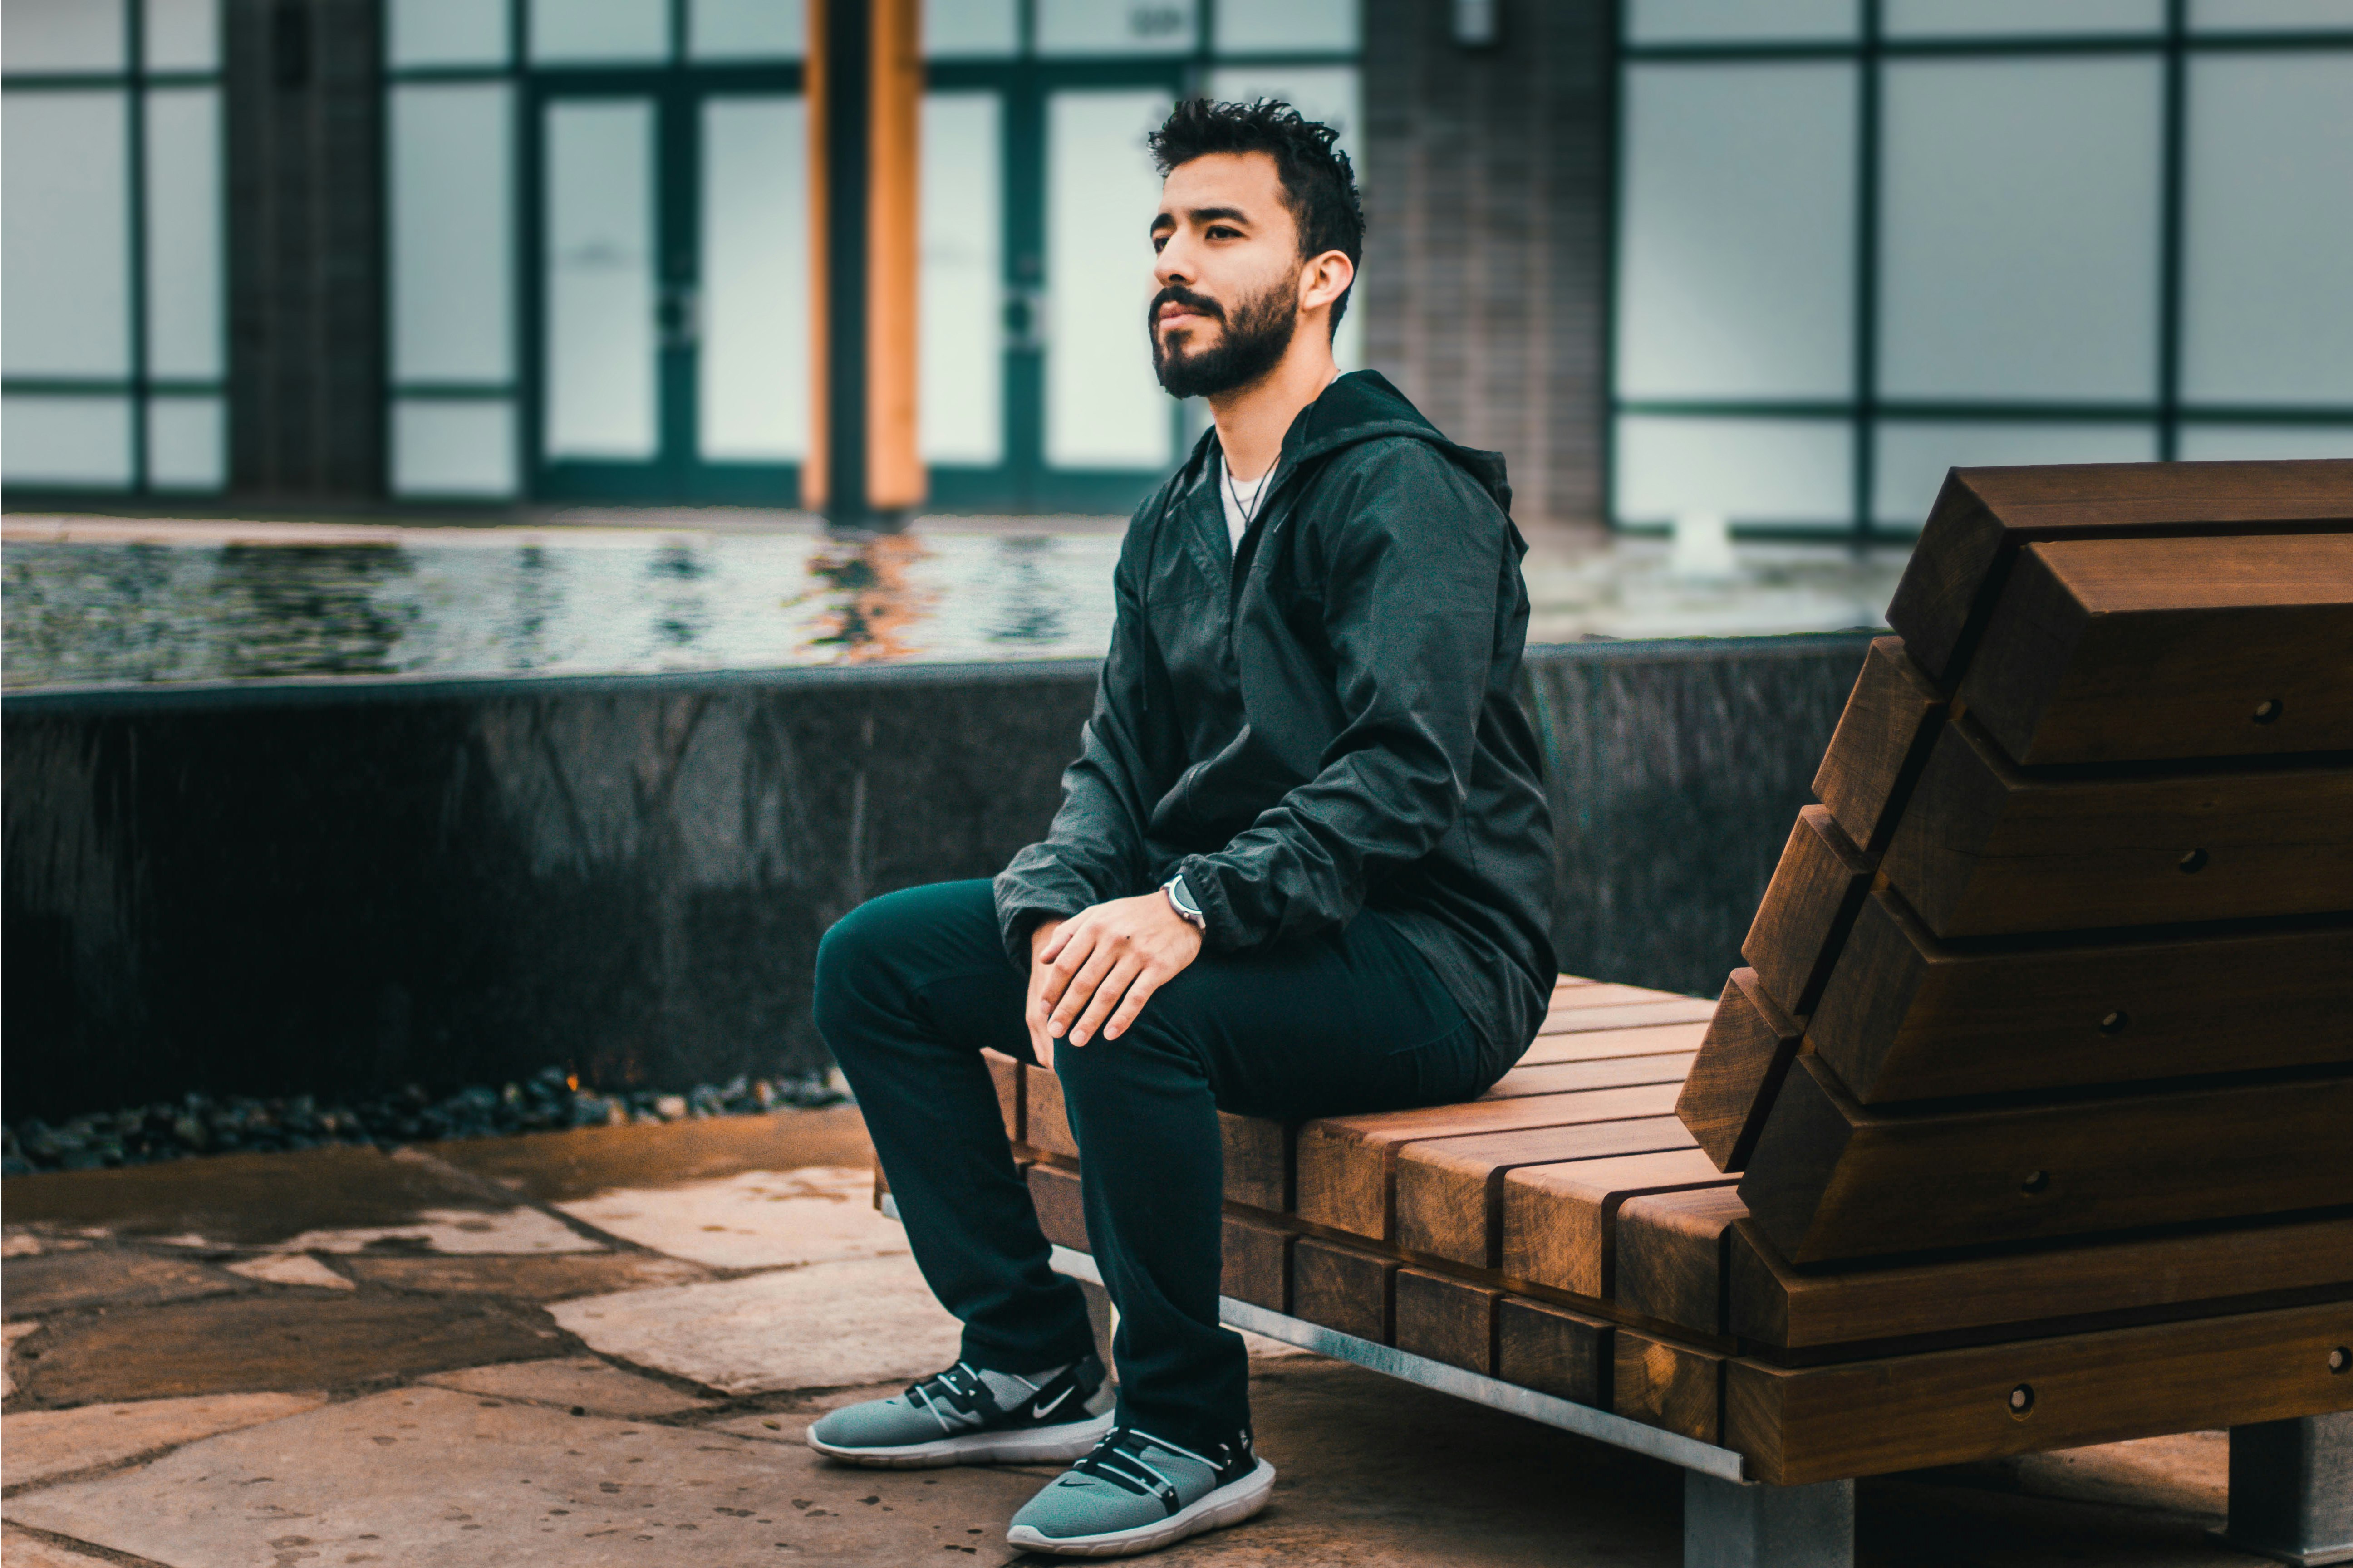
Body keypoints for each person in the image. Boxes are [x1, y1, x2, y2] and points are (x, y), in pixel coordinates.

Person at [807, 97, 1555, 1558]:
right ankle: (1028, 1357)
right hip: (1250, 916)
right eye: (1162, 234)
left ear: (1320, 275)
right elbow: (1112, 770)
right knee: (877, 962)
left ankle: (1188, 1429)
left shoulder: (1407, 493)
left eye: (1221, 232)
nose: (1175, 263)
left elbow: (1403, 775)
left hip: (1431, 955)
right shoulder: (1174, 517)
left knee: (1124, 1008)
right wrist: (1055, 914)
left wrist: (1186, 909)